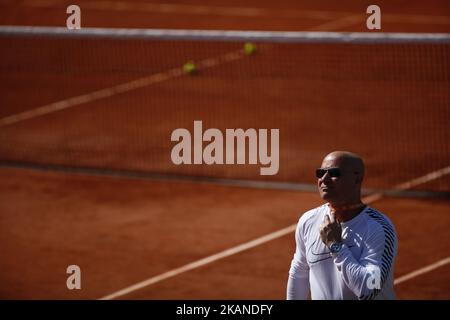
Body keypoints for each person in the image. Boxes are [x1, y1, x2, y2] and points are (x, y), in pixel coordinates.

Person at [287, 151, 397, 300]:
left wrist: (336, 246)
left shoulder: (378, 228)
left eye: (334, 173)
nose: (324, 179)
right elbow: (299, 273)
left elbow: (369, 290)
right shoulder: (308, 220)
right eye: (320, 173)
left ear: (357, 178)